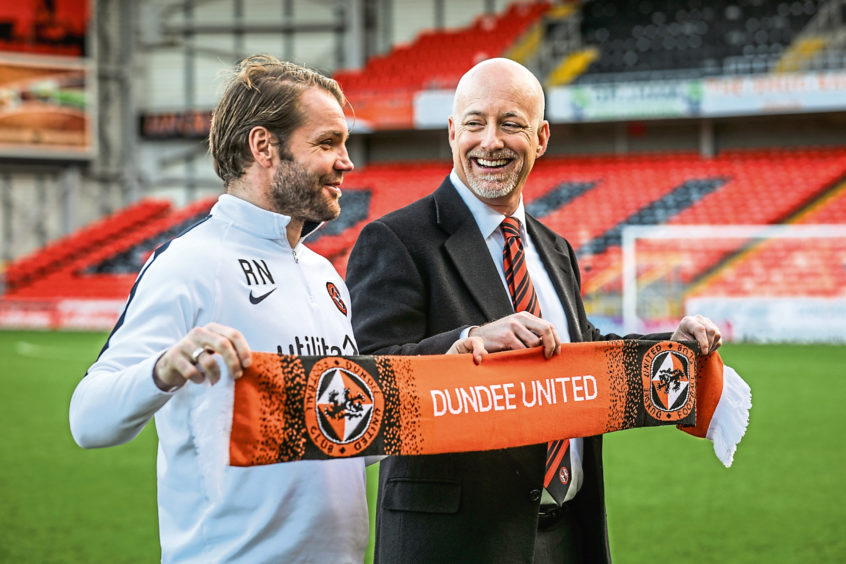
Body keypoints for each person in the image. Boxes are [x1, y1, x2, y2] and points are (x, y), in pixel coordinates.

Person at [67, 55, 484, 563]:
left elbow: (351, 435)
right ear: (264, 146)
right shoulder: (191, 263)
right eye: (327, 143)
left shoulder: (326, 276)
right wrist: (163, 369)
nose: (346, 161)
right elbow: (88, 419)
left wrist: (458, 363)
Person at [345, 58, 722, 563]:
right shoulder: (395, 239)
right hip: (454, 544)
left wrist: (668, 352)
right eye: (475, 123)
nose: (490, 141)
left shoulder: (554, 247)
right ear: (453, 132)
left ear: (541, 137)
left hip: (566, 537)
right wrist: (466, 341)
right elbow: (367, 378)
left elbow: (579, 354)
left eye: (511, 124)